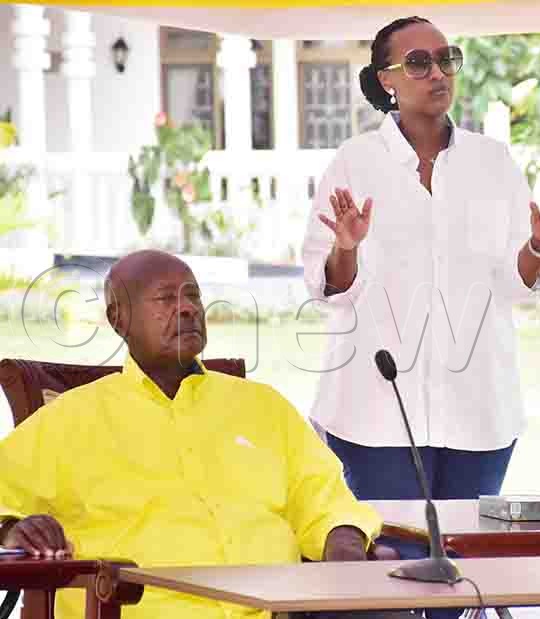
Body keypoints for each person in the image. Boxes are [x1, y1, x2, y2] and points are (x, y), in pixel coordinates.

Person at [302, 19, 540, 528]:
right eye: (418, 62)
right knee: (385, 571)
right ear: (386, 78)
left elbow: (514, 287)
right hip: (374, 412)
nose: (438, 72)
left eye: (446, 59)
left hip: (479, 410)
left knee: (460, 571)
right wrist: (346, 247)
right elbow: (329, 289)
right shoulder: (354, 162)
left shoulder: (493, 161)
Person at [0, 250, 384, 619]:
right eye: (165, 299)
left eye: (193, 296)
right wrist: (11, 531)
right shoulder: (70, 420)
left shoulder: (263, 406)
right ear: (118, 319)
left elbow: (325, 499)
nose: (187, 308)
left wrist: (345, 546)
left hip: (280, 612)